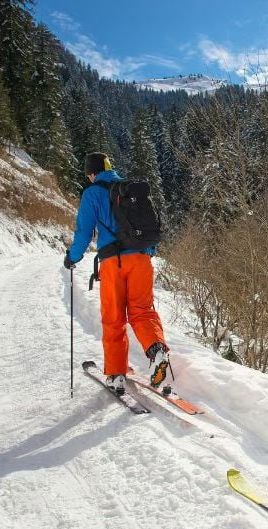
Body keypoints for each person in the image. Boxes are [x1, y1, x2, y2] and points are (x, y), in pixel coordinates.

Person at [63, 152, 170, 394]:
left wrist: (73, 257)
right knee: (142, 311)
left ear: (92, 173)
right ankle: (157, 350)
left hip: (114, 263)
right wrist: (146, 253)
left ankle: (116, 374)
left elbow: (84, 232)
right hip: (142, 258)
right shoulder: (129, 190)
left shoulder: (92, 193)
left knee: (114, 318)